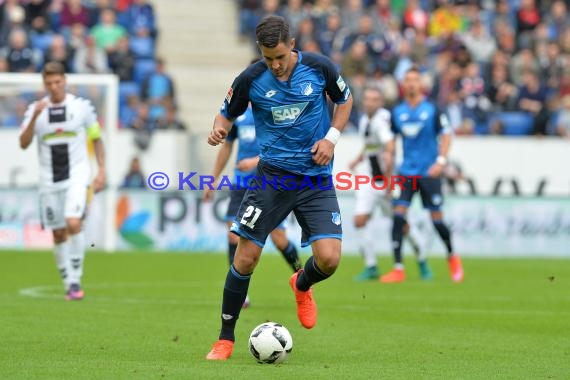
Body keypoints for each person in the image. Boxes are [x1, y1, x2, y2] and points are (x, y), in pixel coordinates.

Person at [205, 15, 353, 360]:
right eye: (268, 58)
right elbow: (226, 112)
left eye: (280, 57)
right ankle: (225, 338)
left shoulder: (319, 68)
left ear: (293, 47)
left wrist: (331, 139)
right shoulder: (251, 78)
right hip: (271, 178)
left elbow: (345, 100)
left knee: (329, 260)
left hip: (315, 178)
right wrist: (219, 129)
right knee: (246, 256)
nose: (274, 65)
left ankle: (301, 284)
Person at [203, 100, 303, 308]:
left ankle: (302, 280)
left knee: (279, 239)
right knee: (233, 233)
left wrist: (254, 162)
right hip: (241, 184)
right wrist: (213, 179)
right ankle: (240, 293)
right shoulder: (238, 115)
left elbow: (284, 148)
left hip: (270, 183)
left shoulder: (277, 113)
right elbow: (227, 147)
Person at [19, 61, 106, 300]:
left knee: (73, 222)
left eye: (58, 82)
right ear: (44, 84)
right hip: (49, 181)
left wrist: (102, 170)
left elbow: (96, 138)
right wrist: (35, 115)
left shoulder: (81, 107)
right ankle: (68, 281)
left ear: (65, 81)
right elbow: (23, 143)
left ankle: (76, 280)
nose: (54, 87)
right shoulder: (35, 110)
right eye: (49, 83)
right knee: (58, 233)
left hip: (77, 175)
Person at [380, 67, 463, 284]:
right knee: (398, 217)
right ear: (403, 85)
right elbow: (391, 141)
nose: (411, 84)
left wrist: (441, 162)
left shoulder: (433, 109)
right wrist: (388, 160)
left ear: (421, 85)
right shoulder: (397, 112)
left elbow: (446, 136)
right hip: (406, 173)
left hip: (429, 172)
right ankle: (398, 268)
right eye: (407, 80)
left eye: (415, 80)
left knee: (437, 221)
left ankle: (452, 257)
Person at [349, 86, 432, 281]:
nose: (370, 102)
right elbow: (370, 144)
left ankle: (422, 261)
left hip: (387, 180)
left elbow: (389, 148)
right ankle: (371, 266)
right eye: (367, 99)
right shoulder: (364, 120)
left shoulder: (382, 121)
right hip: (369, 178)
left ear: (381, 103)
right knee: (360, 219)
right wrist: (358, 159)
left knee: (402, 224)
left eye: (374, 99)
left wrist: (388, 180)